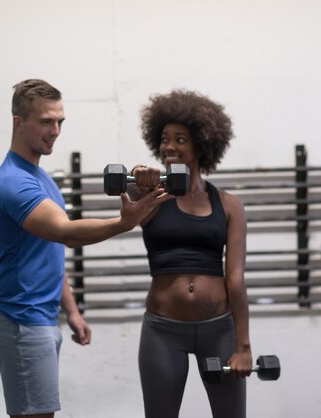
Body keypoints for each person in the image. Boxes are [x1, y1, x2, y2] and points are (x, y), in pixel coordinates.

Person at [0, 79, 173, 418]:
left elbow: (48, 251)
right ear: (18, 122)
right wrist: (122, 223)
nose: (55, 130)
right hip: (20, 318)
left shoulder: (40, 177)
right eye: (45, 121)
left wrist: (70, 310)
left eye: (60, 122)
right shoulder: (13, 182)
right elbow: (66, 233)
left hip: (38, 315)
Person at [128, 89, 252, 418]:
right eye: (165, 139)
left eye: (181, 139)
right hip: (163, 331)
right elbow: (130, 206)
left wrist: (244, 347)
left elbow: (236, 279)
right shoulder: (150, 198)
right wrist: (138, 181)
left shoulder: (229, 205)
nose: (170, 146)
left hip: (219, 329)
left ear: (201, 144)